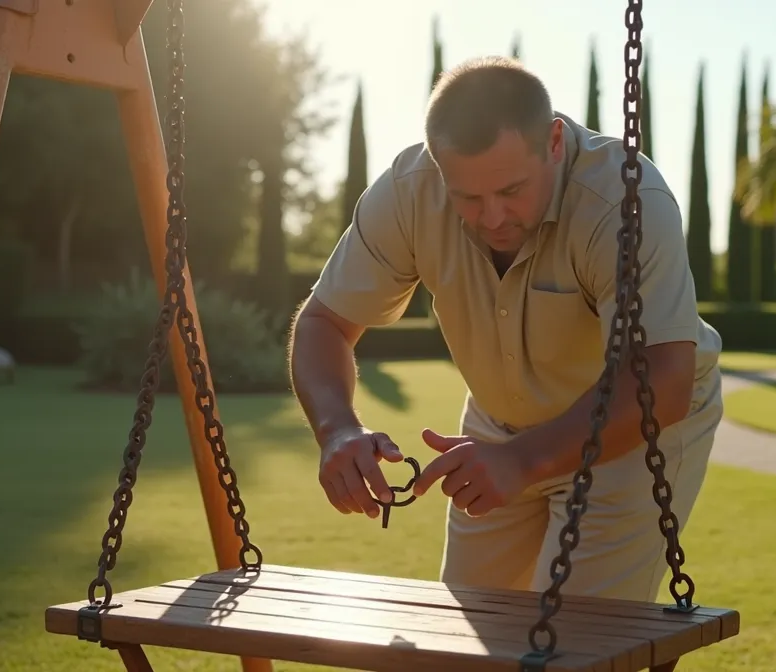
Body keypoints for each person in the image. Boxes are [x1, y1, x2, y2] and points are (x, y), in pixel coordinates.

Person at [287, 55, 724, 603]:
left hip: (630, 432)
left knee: (571, 645)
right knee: (467, 637)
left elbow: (662, 379)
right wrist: (337, 430)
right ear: (438, 164)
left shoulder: (624, 200)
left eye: (512, 190)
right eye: (467, 197)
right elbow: (324, 322)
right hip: (499, 425)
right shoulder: (408, 190)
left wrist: (522, 460)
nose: (492, 217)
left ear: (556, 142)